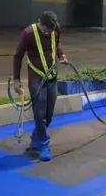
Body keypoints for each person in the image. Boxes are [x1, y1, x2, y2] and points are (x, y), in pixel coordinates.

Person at [12, 11, 67, 162]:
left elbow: (57, 44)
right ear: (40, 23)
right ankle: (43, 145)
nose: (49, 32)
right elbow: (18, 56)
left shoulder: (55, 29)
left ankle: (37, 137)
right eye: (46, 30)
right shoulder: (28, 33)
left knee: (48, 115)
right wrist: (16, 79)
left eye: (51, 30)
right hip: (36, 78)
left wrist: (61, 53)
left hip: (52, 77)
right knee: (40, 113)